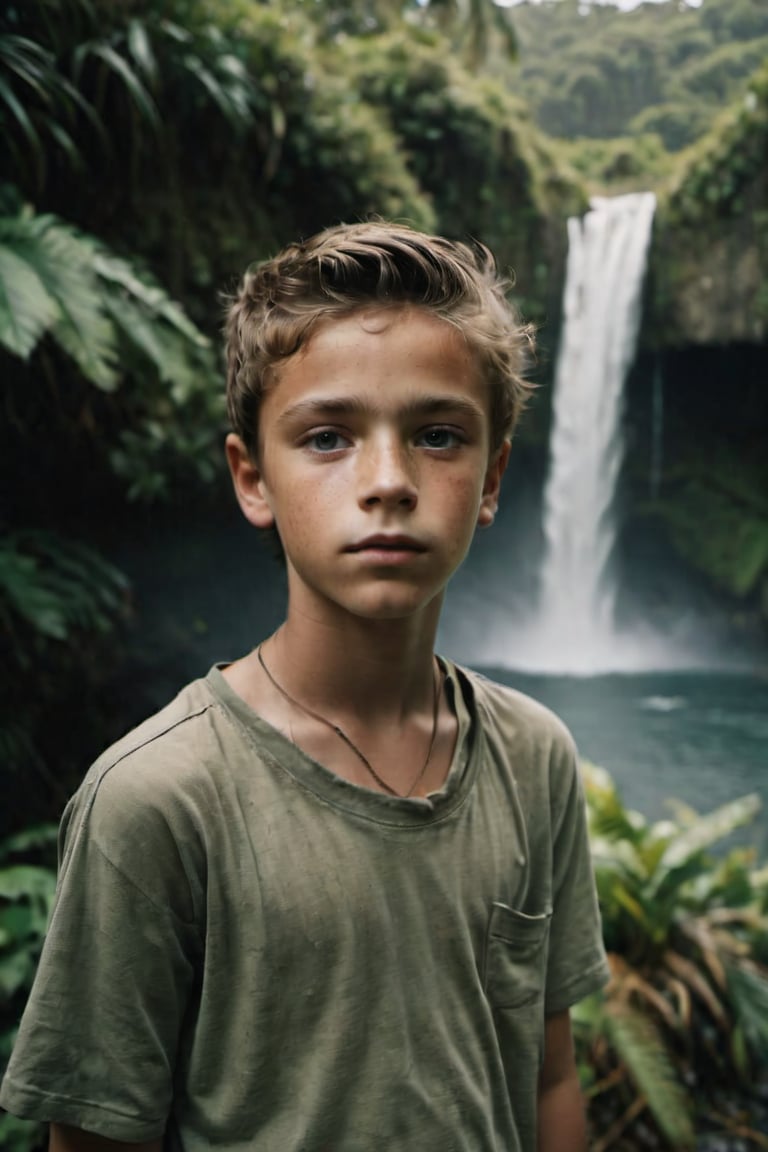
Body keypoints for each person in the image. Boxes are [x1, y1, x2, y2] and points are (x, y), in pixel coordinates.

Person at [0, 221, 609, 1152]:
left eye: (438, 436)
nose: (388, 482)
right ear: (253, 478)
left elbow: (549, 1074)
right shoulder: (160, 801)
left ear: (492, 478)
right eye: (327, 438)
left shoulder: (534, 757)